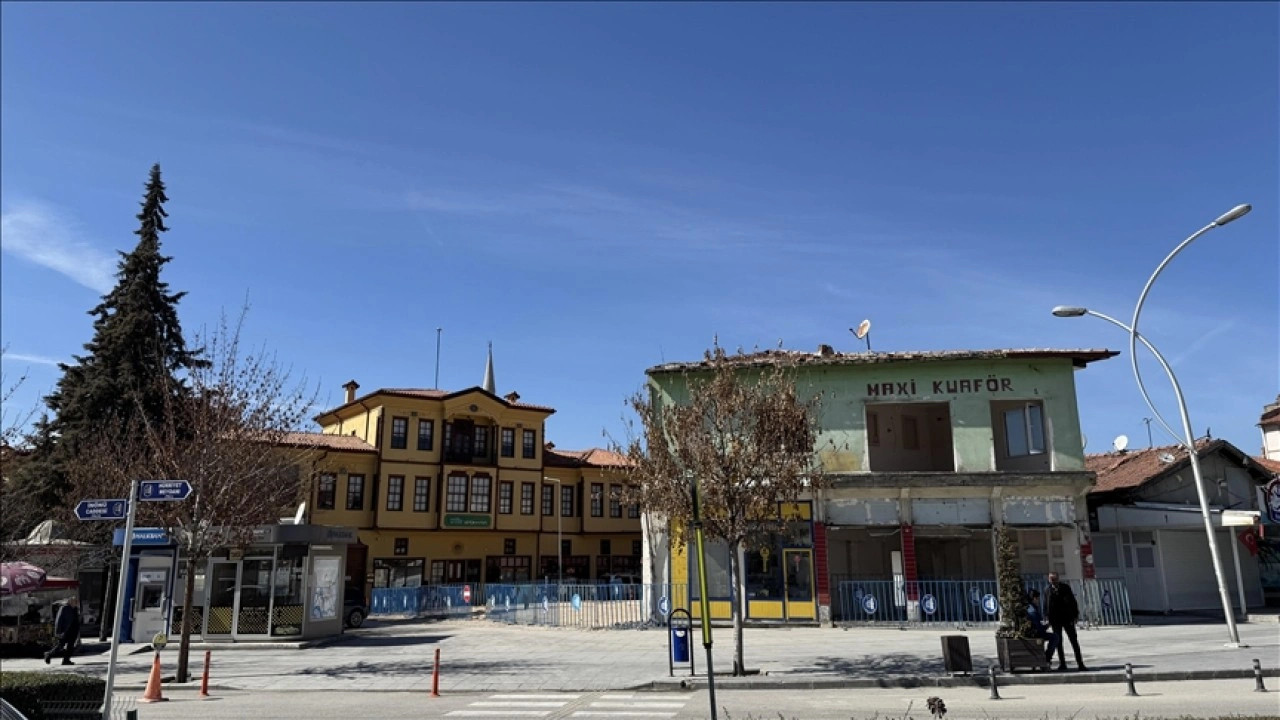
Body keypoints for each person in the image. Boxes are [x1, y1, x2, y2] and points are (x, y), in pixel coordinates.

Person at [1043, 572, 1086, 671]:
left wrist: (1075, 615)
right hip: (1055, 620)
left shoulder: (1065, 588)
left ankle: (1080, 663)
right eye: (1051, 579)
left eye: (1055, 578)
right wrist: (1046, 617)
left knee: (1074, 641)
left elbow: (1072, 602)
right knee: (1059, 642)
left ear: (1058, 578)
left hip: (1067, 618)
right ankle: (1062, 663)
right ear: (1049, 580)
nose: (1053, 581)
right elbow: (1046, 604)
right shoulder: (1047, 590)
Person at [1025, 589, 1058, 666]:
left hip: (1032, 633)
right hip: (1035, 635)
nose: (1039, 601)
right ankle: (1047, 658)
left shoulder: (1028, 608)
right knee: (1055, 637)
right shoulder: (1033, 611)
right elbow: (1040, 630)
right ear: (1034, 598)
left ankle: (1046, 658)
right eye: (1038, 599)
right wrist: (1047, 626)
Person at [44, 597, 81, 666]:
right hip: (65, 630)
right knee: (60, 645)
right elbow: (59, 620)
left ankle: (66, 660)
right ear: (70, 602)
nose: (76, 603)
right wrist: (58, 631)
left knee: (70, 646)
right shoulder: (64, 608)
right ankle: (49, 654)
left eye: (76, 602)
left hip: (73, 630)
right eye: (74, 602)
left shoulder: (75, 609)